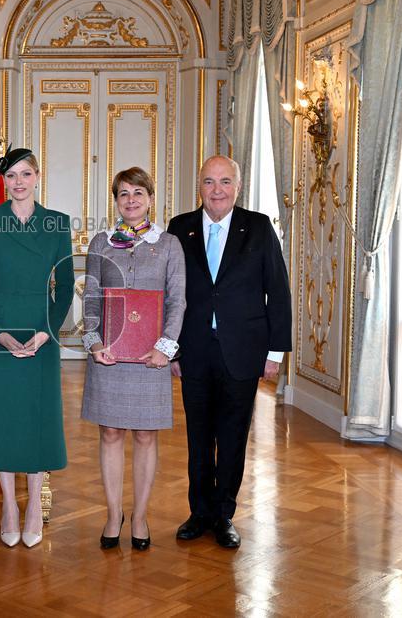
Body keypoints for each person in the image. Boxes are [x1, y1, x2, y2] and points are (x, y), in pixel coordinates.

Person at [167, 155, 292, 549]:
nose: (216, 190)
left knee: (234, 436)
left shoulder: (257, 227)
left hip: (243, 350)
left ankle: (224, 515)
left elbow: (279, 290)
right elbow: (169, 294)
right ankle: (199, 512)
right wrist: (169, 349)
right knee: (199, 437)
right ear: (199, 186)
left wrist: (276, 352)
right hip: (194, 350)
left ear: (237, 187)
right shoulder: (179, 228)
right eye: (209, 181)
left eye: (224, 182)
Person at [0, 147, 75, 549]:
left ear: (37, 176)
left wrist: (46, 331)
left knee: (37, 420)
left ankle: (32, 508)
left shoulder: (57, 223)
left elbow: (64, 289)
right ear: (3, 181)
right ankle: (9, 505)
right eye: (11, 176)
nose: (19, 182)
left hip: (41, 336)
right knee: (2, 420)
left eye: (26, 174)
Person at [80, 167, 185, 551]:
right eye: (123, 193)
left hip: (150, 357)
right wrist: (93, 343)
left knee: (144, 435)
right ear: (116, 200)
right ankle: (113, 515)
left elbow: (178, 300)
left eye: (138, 192)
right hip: (109, 354)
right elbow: (90, 299)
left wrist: (165, 347)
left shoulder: (169, 244)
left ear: (151, 198)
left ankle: (139, 516)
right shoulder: (100, 242)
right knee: (110, 433)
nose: (131, 200)